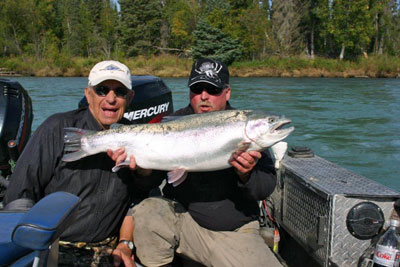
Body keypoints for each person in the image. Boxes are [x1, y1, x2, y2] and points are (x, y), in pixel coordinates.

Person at [112, 58, 282, 266]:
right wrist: (143, 170)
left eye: (212, 89)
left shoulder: (241, 127)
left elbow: (264, 189)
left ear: (226, 92)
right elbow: (147, 184)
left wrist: (246, 174)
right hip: (183, 224)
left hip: (234, 233)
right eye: (197, 88)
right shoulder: (171, 122)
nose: (203, 96)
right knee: (148, 211)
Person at [3, 60, 150, 267]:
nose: (111, 99)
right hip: (54, 251)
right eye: (102, 90)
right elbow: (20, 194)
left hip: (108, 253)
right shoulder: (56, 128)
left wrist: (125, 243)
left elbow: (138, 200)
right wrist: (33, 250)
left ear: (130, 97)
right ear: (88, 94)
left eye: (120, 92)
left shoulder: (138, 137)